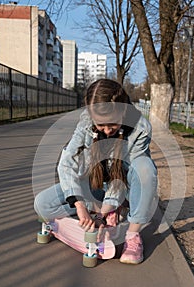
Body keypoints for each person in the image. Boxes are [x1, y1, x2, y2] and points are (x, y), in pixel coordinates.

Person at [34, 79, 157, 264]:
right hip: (95, 183)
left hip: (123, 185)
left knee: (144, 168)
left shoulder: (140, 129)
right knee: (42, 204)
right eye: (101, 125)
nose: (107, 131)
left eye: (112, 125)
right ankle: (105, 209)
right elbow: (67, 163)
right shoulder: (85, 123)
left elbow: (120, 178)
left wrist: (105, 211)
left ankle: (132, 235)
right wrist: (80, 205)